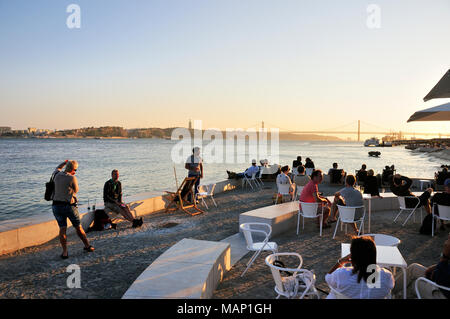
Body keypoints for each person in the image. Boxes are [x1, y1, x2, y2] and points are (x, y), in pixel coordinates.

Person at [326, 236, 394, 299]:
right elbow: (390, 287)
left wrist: (340, 262)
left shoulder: (341, 274)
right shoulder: (386, 276)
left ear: (352, 256)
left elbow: (328, 277)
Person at [51, 160, 94, 259]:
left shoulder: (56, 174)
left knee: (62, 229)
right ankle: (87, 246)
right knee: (78, 227)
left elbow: (58, 167)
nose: (75, 171)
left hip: (56, 206)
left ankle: (65, 252)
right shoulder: (72, 177)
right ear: (73, 169)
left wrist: (64, 163)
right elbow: (76, 190)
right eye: (75, 169)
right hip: (68, 206)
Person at [392, 233, 450, 299]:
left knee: (413, 284)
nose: (446, 242)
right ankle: (389, 288)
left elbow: (439, 279)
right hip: (442, 283)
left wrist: (445, 256)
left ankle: (387, 291)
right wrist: (435, 267)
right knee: (414, 268)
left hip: (442, 293)